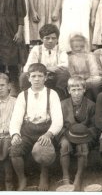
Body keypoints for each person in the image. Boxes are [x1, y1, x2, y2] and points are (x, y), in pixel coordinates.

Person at [9, 63, 63, 191]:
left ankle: (44, 175)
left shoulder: (52, 94)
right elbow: (16, 118)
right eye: (33, 76)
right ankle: (22, 179)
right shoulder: (23, 95)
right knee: (14, 150)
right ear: (28, 78)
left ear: (45, 77)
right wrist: (15, 134)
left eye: (40, 76)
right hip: (27, 132)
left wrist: (49, 134)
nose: (37, 79)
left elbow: (58, 120)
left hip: (45, 131)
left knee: (43, 150)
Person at [58, 76, 97, 191]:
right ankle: (65, 176)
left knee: (82, 145)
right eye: (73, 90)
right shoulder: (62, 104)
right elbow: (58, 125)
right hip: (66, 134)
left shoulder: (91, 105)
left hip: (85, 136)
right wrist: (68, 135)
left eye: (79, 89)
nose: (76, 93)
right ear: (69, 90)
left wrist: (84, 134)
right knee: (64, 145)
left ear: (84, 89)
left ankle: (78, 176)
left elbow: (94, 127)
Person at [20, 24, 69, 100]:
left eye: (53, 38)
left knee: (65, 73)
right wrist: (46, 69)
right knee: (24, 76)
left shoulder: (61, 49)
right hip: (40, 77)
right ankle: (28, 98)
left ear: (57, 39)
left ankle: (59, 97)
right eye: (47, 38)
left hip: (56, 79)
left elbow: (66, 65)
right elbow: (27, 68)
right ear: (41, 39)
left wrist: (54, 69)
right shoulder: (36, 49)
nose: (50, 41)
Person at [0, 0, 26, 96]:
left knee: (12, 61)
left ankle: (15, 91)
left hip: (11, 30)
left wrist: (20, 31)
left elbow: (21, 14)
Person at [68, 33, 101, 102]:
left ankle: (96, 103)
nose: (79, 49)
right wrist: (78, 80)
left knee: (94, 86)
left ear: (85, 46)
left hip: (90, 80)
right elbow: (71, 73)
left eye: (82, 46)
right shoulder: (70, 58)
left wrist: (87, 81)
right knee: (75, 86)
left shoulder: (89, 56)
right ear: (72, 47)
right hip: (76, 80)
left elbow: (94, 72)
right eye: (76, 46)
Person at [0, 73, 16, 190]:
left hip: (9, 135)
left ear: (9, 86)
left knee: (7, 146)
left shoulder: (16, 102)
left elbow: (17, 122)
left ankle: (8, 181)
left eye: (2, 85)